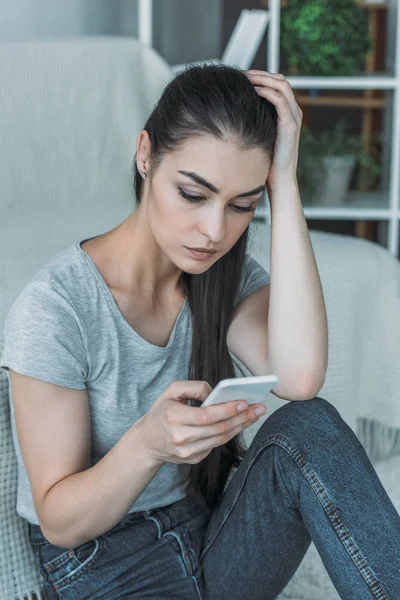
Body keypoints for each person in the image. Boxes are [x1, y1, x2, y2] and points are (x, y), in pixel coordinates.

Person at [1, 64, 399, 600]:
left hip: (210, 535)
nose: (215, 232)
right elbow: (60, 522)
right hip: (104, 568)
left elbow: (301, 377)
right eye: (194, 194)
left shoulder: (222, 279)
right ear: (146, 155)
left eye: (242, 205)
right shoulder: (56, 309)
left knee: (311, 425)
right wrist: (148, 444)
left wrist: (284, 183)